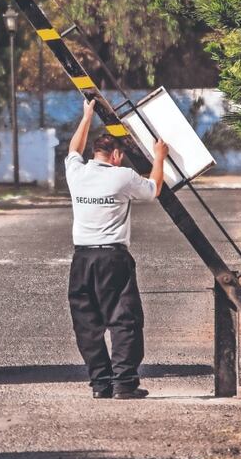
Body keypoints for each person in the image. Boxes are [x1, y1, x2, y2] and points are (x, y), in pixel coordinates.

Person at [65, 98, 168, 399]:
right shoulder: (122, 176)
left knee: (87, 324)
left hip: (81, 258)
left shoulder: (77, 173)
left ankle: (100, 384)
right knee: (124, 319)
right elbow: (153, 190)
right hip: (113, 258)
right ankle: (124, 383)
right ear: (117, 155)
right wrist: (159, 157)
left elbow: (73, 149)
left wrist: (86, 115)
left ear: (95, 153)